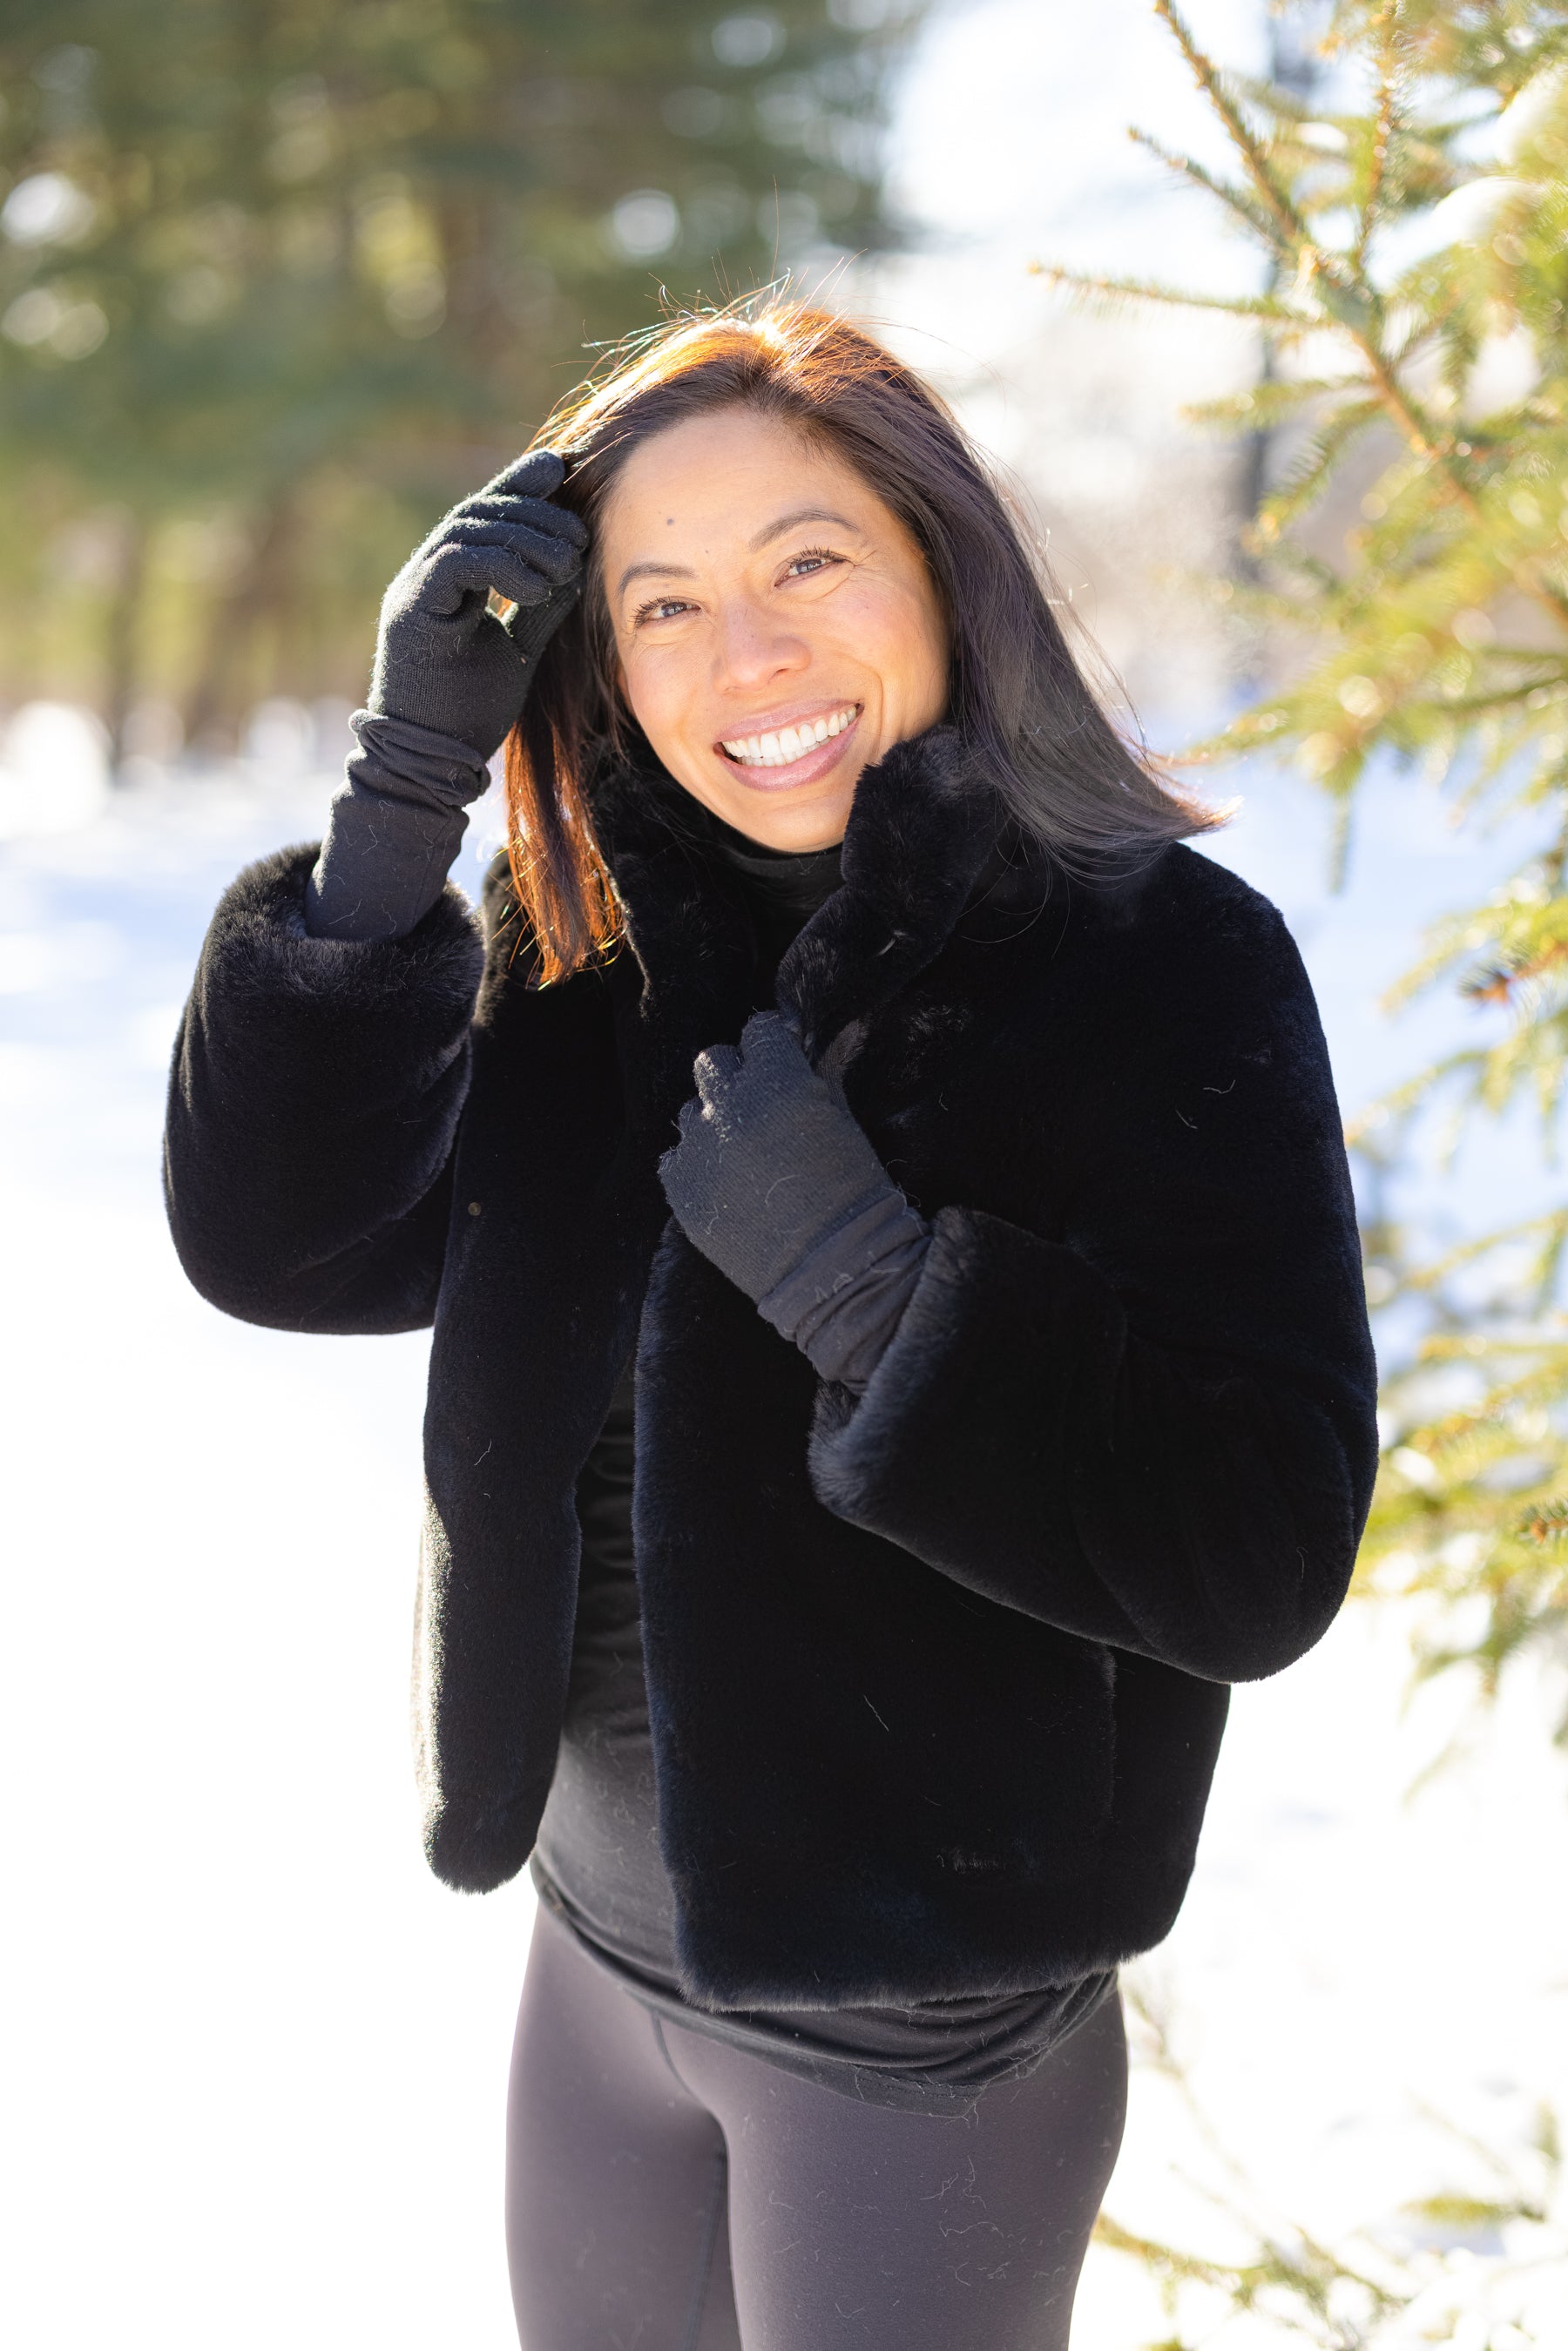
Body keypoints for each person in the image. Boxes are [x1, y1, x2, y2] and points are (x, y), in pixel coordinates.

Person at [163, 301, 1378, 2350]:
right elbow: (288, 1246)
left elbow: (1256, 1549)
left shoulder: (1159, 961)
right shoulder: (589, 968)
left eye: (809, 562)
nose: (751, 661)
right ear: (602, 666)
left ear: (937, 563)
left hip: (923, 2043)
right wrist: (400, 800)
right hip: (592, 1979)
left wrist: (873, 1292)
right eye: (662, 606)